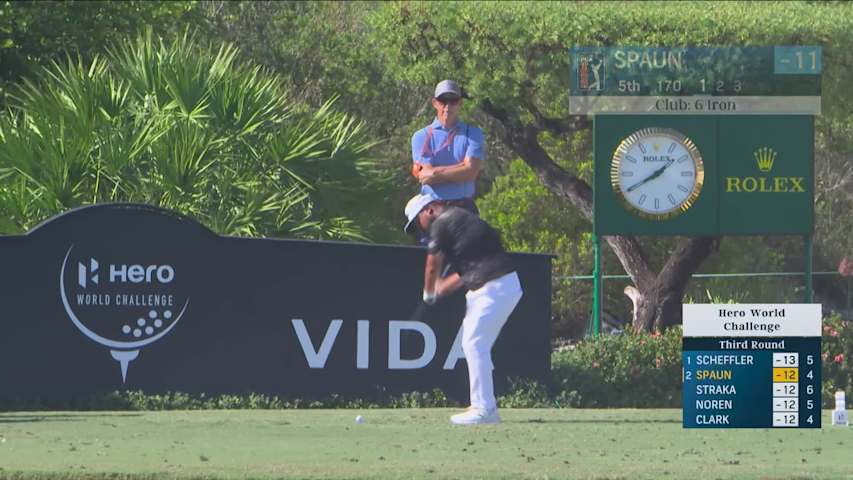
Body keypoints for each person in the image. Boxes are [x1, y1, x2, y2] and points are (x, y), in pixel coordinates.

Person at [404, 193, 523, 425]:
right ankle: (485, 405)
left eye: (419, 224)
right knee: (476, 344)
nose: (421, 231)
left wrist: (429, 293)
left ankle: (484, 408)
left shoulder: (442, 221)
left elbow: (432, 265)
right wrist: (440, 290)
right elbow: (463, 274)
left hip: (495, 287)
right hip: (497, 286)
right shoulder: (462, 221)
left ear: (428, 211)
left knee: (474, 343)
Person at [411, 80, 485, 223]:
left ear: (460, 104)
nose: (447, 106)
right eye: (443, 100)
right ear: (435, 103)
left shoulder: (473, 134)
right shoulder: (421, 136)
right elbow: (425, 177)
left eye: (453, 101)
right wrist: (460, 167)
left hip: (464, 209)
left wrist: (436, 172)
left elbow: (470, 172)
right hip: (434, 210)